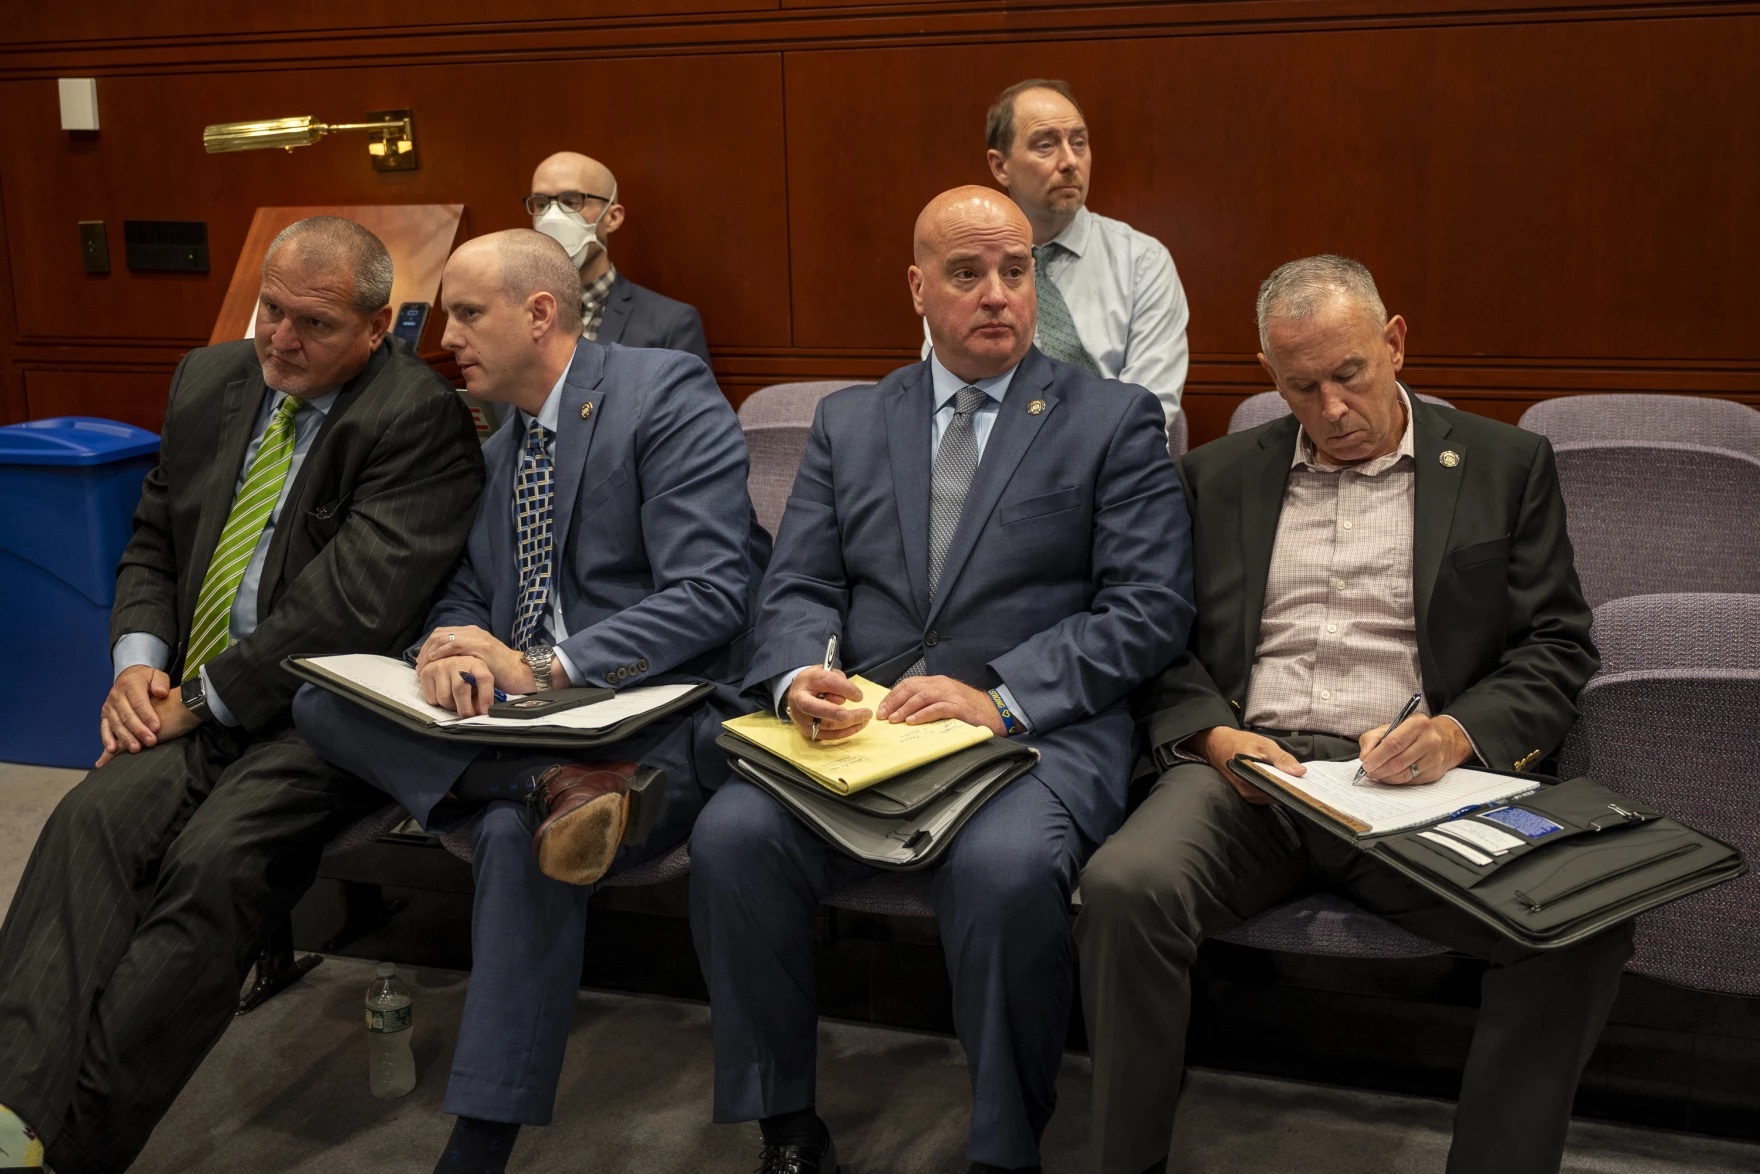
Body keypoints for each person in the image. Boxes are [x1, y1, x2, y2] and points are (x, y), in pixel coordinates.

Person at [1075, 255, 1635, 1174]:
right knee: (1124, 887)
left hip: (1423, 785)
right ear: (1270, 377)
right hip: (1249, 780)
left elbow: (1557, 645)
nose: (1332, 409)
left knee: (1581, 920)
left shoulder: (1503, 464)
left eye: (1350, 375)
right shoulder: (1213, 479)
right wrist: (1213, 735)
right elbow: (1157, 642)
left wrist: (1458, 733)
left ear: (1395, 343)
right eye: (1303, 387)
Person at [690, 186, 1196, 1174]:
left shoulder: (1110, 419)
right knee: (731, 836)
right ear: (918, 287)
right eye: (966, 274)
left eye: (1014, 271)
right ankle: (782, 1121)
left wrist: (1000, 696)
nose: (998, 294)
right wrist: (799, 673)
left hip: (1030, 736)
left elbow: (1148, 609)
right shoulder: (849, 419)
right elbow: (798, 580)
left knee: (1002, 872)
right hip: (865, 733)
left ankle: (1003, 1147)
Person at [0, 216, 485, 1174]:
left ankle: (75, 1148)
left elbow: (352, 604)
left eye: (311, 324)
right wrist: (139, 663)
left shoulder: (414, 418)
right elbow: (154, 541)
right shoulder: (209, 378)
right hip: (190, 698)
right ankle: (10, 1116)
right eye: (270, 310)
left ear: (378, 327)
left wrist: (202, 695)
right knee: (87, 825)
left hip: (321, 715)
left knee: (213, 870)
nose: (279, 339)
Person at [293, 229, 769, 1174]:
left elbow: (714, 592)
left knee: (516, 844)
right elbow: (473, 590)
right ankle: (549, 781)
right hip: (542, 735)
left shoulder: (662, 393)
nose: (447, 338)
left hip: (660, 714)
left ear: (540, 313)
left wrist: (546, 668)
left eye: (468, 314)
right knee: (317, 703)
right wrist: (447, 648)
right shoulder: (503, 437)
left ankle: (479, 1145)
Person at [926, 79, 1189, 430]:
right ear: (1000, 166)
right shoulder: (962, 266)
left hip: (1107, 462)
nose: (1069, 161)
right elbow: (954, 389)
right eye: (1046, 145)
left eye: (1079, 143)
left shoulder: (1142, 262)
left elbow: (1150, 405)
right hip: (992, 461)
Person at [527, 150, 711, 366]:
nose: (552, 216)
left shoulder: (670, 323)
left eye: (571, 202)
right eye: (541, 204)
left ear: (612, 217)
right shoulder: (515, 312)